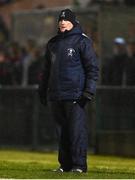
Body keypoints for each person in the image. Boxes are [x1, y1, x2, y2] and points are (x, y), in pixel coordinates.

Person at [39, 9, 99, 173]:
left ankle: (79, 165)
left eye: (66, 20)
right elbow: (46, 70)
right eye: (60, 20)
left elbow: (92, 69)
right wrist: (42, 90)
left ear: (73, 22)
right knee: (62, 132)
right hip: (56, 94)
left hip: (75, 94)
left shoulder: (82, 41)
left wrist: (89, 91)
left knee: (76, 131)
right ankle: (65, 165)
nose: (62, 22)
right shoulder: (53, 43)